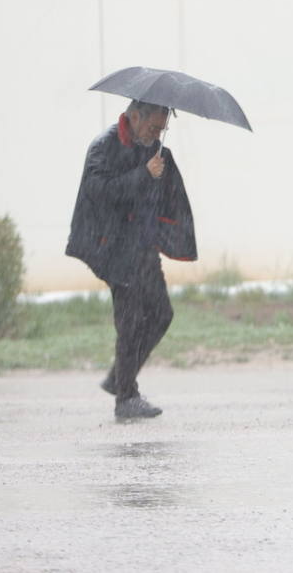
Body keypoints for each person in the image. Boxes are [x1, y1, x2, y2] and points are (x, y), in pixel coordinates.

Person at [66, 100, 196, 420]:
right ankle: (126, 397)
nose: (157, 134)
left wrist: (172, 233)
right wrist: (143, 174)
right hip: (113, 248)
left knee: (161, 314)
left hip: (144, 247)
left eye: (162, 129)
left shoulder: (156, 152)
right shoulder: (104, 147)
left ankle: (118, 378)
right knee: (131, 321)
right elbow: (99, 192)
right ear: (134, 116)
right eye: (153, 127)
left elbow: (171, 197)